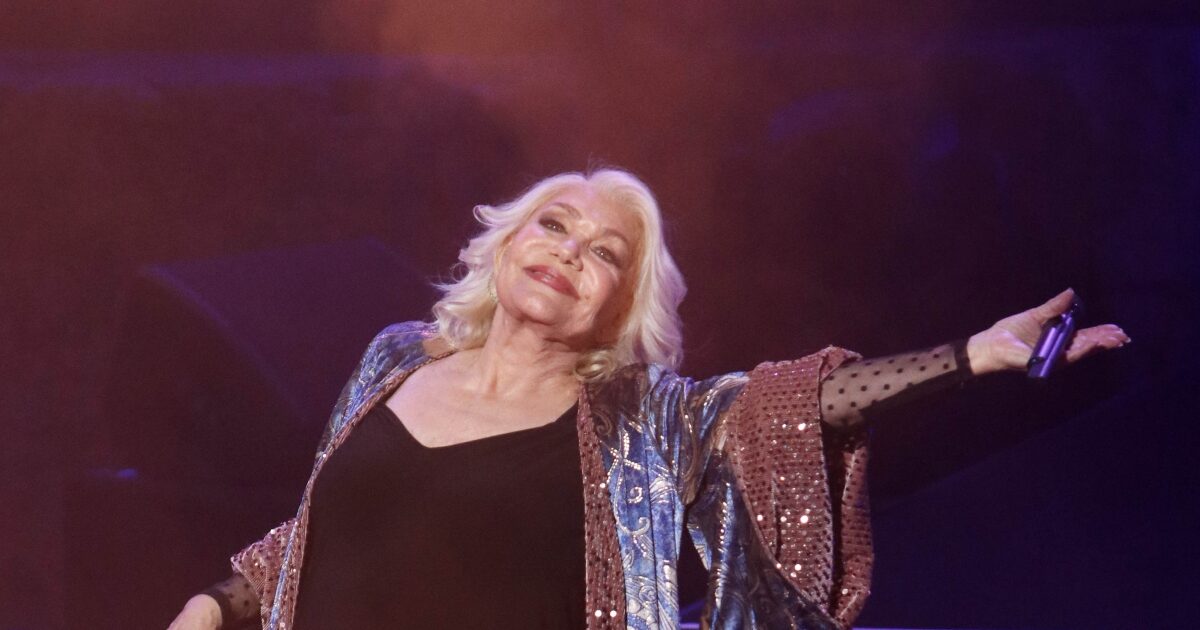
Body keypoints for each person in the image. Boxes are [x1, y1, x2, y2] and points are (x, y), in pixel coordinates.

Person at [167, 168, 1129, 630]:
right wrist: (210, 607)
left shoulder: (642, 422)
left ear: (620, 307)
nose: (568, 253)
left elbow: (792, 408)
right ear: (505, 243)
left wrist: (971, 356)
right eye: (553, 225)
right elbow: (318, 538)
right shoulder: (394, 359)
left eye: (604, 255)